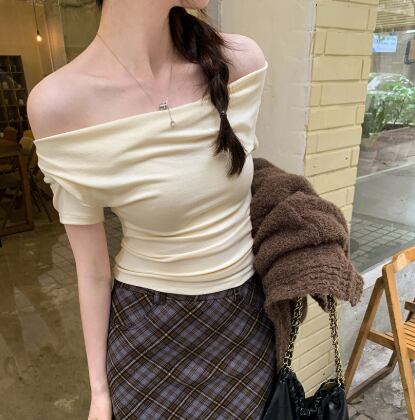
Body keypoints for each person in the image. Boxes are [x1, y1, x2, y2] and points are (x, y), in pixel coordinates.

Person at [28, 1, 274, 419]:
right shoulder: (59, 105)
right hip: (148, 332)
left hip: (243, 324)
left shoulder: (240, 63)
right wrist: (99, 393)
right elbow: (92, 272)